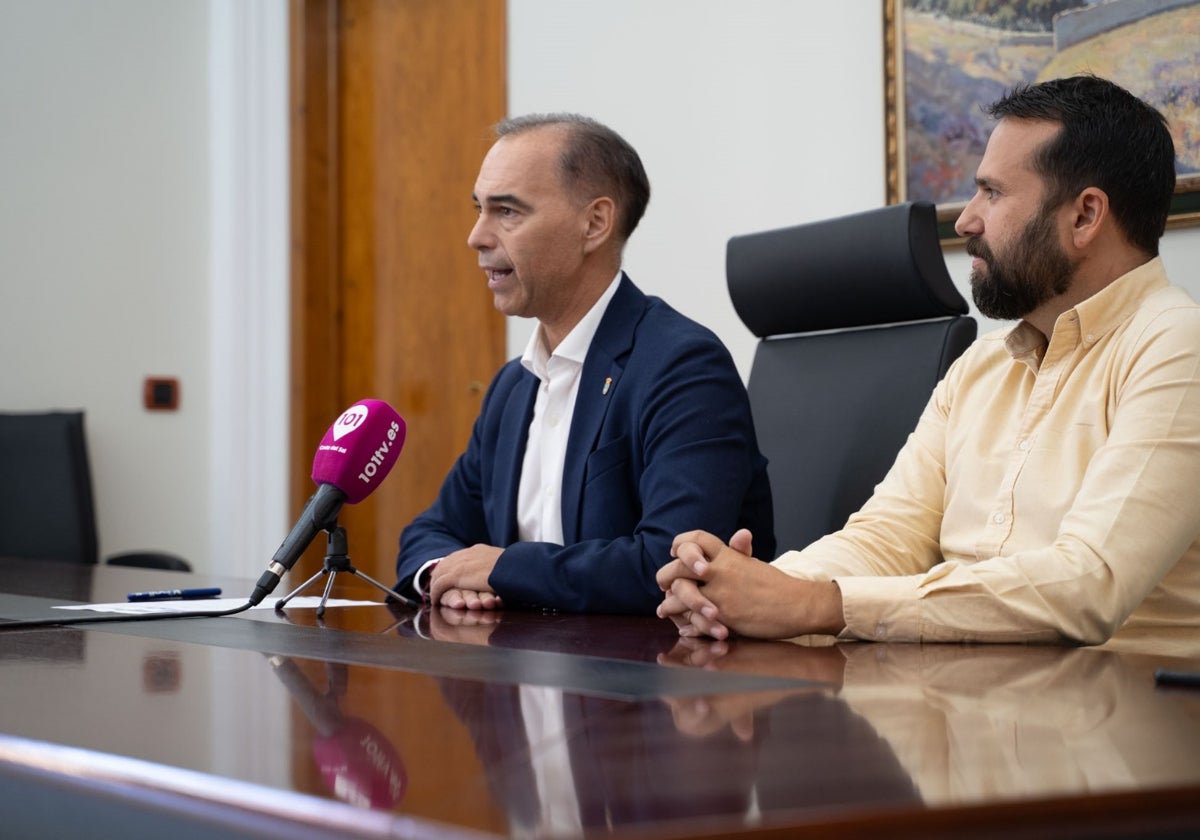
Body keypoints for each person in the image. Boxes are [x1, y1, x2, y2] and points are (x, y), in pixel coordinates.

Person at [657, 75, 1200, 645]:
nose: (966, 220)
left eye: (992, 193)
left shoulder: (1176, 348)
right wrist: (737, 588)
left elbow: (1089, 583)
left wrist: (815, 602)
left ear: (1085, 216)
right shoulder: (981, 367)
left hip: (1115, 714)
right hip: (957, 700)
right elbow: (888, 537)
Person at [396, 113, 774, 614]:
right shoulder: (513, 387)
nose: (477, 237)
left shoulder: (682, 366)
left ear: (594, 223)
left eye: (507, 211)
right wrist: (444, 574)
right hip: (519, 671)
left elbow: (672, 562)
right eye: (479, 210)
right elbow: (432, 530)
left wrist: (501, 570)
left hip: (656, 679)